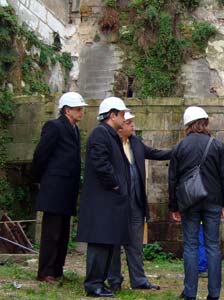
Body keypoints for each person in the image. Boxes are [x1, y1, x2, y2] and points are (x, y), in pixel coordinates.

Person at [168, 106, 224, 300]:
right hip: (213, 202)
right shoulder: (217, 145)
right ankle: (214, 295)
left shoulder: (180, 146)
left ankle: (190, 293)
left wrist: (174, 206)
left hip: (189, 203)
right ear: (204, 123)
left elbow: (172, 179)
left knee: (190, 247)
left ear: (188, 124)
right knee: (213, 246)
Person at [107, 111, 171, 291]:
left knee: (135, 244)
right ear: (120, 127)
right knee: (114, 243)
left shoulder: (135, 142)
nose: (132, 126)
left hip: (135, 201)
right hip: (117, 202)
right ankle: (114, 280)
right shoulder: (110, 143)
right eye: (129, 123)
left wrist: (178, 151)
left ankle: (139, 280)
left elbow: (155, 153)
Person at [75, 97, 131, 298]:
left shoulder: (110, 134)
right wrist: (115, 183)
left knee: (107, 242)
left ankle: (100, 282)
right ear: (112, 114)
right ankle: (93, 284)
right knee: (99, 243)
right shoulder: (101, 133)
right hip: (103, 200)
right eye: (122, 114)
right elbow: (100, 163)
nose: (124, 118)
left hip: (109, 200)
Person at [32, 92, 88, 283]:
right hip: (55, 187)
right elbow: (41, 155)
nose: (81, 112)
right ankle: (45, 271)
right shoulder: (54, 126)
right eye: (78, 109)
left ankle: (57, 269)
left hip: (67, 189)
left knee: (63, 232)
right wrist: (43, 180)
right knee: (51, 233)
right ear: (67, 110)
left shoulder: (74, 129)